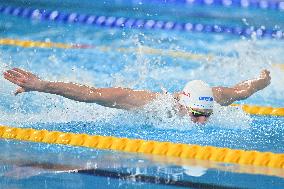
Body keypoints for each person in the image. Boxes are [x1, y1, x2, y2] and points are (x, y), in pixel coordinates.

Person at [3, 68, 271, 124]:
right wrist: (43, 85)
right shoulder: (151, 105)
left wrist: (262, 79)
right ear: (183, 103)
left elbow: (243, 89)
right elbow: (89, 94)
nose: (202, 121)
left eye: (206, 114)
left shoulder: (214, 97)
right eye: (197, 114)